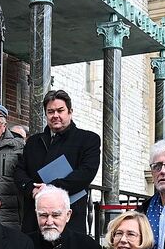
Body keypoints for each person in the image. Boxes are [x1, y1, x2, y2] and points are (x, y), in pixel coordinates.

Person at [14, 90, 101, 234]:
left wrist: (49, 189)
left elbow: (86, 173)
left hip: (70, 217)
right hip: (35, 218)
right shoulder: (33, 141)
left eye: (60, 110)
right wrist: (32, 189)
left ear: (70, 112)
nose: (55, 115)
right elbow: (19, 171)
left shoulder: (88, 139)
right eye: (50, 112)